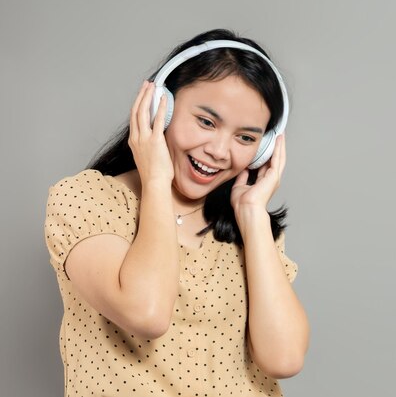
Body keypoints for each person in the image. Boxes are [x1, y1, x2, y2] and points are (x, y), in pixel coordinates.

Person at [44, 29, 309, 397]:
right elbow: (147, 313)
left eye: (246, 138)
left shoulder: (251, 231)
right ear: (159, 107)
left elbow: (284, 359)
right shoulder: (88, 199)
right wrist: (155, 182)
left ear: (264, 149)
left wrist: (252, 216)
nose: (219, 150)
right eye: (206, 121)